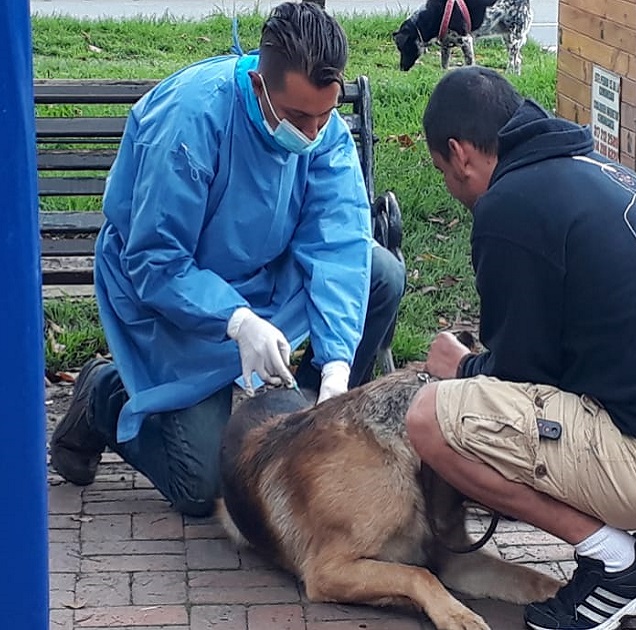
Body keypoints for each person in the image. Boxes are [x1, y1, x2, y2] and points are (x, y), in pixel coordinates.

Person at [404, 66, 636, 630]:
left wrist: (461, 366)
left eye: (442, 173)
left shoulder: (509, 207)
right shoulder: (598, 171)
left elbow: (516, 380)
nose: (453, 192)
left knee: (430, 419)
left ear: (460, 154)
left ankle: (619, 563)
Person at [49, 1, 406, 517]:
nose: (312, 133)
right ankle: (104, 396)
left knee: (381, 273)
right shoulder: (191, 122)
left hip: (264, 277)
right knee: (201, 490)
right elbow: (155, 261)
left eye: (324, 115)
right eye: (299, 116)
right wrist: (236, 321)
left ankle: (294, 431)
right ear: (260, 85)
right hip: (170, 300)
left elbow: (339, 243)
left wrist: (335, 367)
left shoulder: (320, 126)